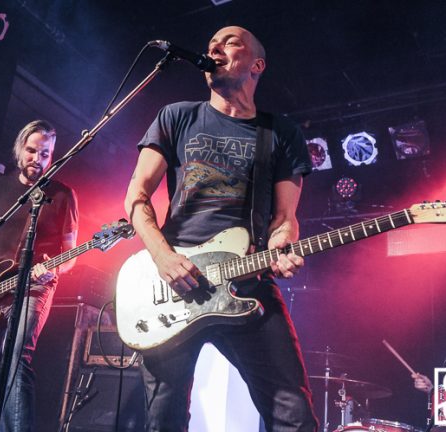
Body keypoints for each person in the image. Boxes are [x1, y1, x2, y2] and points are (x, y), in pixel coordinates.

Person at [124, 26, 317, 432]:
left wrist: (283, 242)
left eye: (230, 42)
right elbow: (137, 197)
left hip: (248, 280)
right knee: (163, 420)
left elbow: (285, 218)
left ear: (256, 65)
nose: (214, 47)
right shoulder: (178, 116)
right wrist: (163, 256)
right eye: (212, 43)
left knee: (294, 415)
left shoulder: (280, 133)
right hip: (176, 281)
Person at [0, 120, 79, 431]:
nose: (37, 159)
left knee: (15, 364)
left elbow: (71, 256)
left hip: (34, 288)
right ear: (19, 149)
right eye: (32, 151)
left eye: (45, 154)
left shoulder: (63, 195)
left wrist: (51, 269)